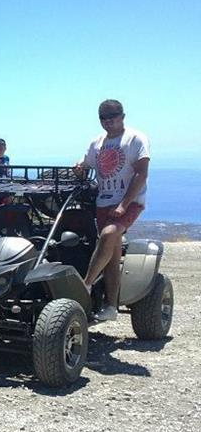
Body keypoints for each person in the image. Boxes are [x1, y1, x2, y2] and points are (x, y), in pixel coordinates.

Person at [77, 99, 150, 321]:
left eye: (113, 116)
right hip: (103, 201)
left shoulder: (135, 139)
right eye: (104, 118)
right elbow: (86, 164)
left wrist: (123, 205)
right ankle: (110, 306)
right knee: (111, 252)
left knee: (108, 234)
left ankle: (85, 285)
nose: (108, 121)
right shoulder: (97, 143)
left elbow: (141, 174)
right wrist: (79, 168)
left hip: (128, 202)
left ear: (122, 116)